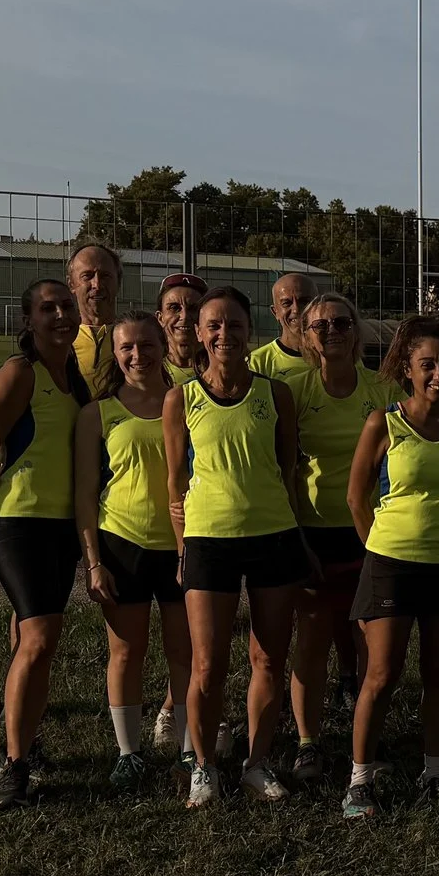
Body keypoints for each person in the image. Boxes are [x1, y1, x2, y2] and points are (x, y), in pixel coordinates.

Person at [165, 286, 315, 808]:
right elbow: (174, 482)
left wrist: (297, 535)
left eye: (234, 324)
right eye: (214, 325)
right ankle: (204, 766)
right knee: (207, 666)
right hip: (209, 542)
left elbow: (287, 470)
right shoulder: (181, 398)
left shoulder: (276, 395)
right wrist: (183, 550)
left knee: (268, 659)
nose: (224, 333)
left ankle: (256, 763)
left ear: (250, 331)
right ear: (199, 334)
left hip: (273, 537)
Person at [344, 317, 439, 817]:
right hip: (391, 566)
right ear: (408, 368)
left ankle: (435, 773)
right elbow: (356, 498)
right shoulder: (383, 423)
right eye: (428, 365)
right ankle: (359, 783)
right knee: (381, 675)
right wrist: (380, 550)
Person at [0, 279, 89, 810]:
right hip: (17, 521)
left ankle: (28, 741)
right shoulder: (20, 373)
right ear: (28, 320)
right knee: (38, 637)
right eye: (48, 308)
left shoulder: (74, 376)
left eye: (67, 306)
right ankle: (14, 767)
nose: (61, 315)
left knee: (39, 639)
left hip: (62, 526)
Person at [74, 310, 194, 791]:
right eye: (127, 347)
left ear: (163, 346)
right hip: (122, 543)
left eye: (147, 344)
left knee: (184, 650)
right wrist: (93, 562)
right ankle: (129, 753)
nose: (137, 354)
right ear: (115, 353)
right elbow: (85, 494)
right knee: (126, 652)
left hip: (182, 545)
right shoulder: (97, 413)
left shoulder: (189, 401)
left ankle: (189, 748)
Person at [285, 293, 401, 784]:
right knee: (311, 640)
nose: (331, 331)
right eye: (319, 325)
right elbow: (285, 469)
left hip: (372, 533)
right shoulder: (294, 391)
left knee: (372, 645)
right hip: (314, 531)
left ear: (356, 330)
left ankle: (368, 743)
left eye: (341, 322)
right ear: (305, 336)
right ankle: (307, 743)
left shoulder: (382, 390)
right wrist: (295, 535)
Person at [249, 273, 318, 385]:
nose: (296, 309)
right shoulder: (257, 362)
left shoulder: (333, 355)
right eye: (287, 303)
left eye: (304, 301)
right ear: (275, 312)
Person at [68, 242, 121, 382]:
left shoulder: (135, 339)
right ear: (71, 284)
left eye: (105, 276)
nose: (97, 285)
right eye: (87, 276)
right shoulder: (60, 340)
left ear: (119, 282)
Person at [156, 273, 207, 384]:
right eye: (174, 308)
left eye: (193, 308)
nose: (184, 316)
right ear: (160, 318)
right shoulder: (150, 371)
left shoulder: (223, 369)